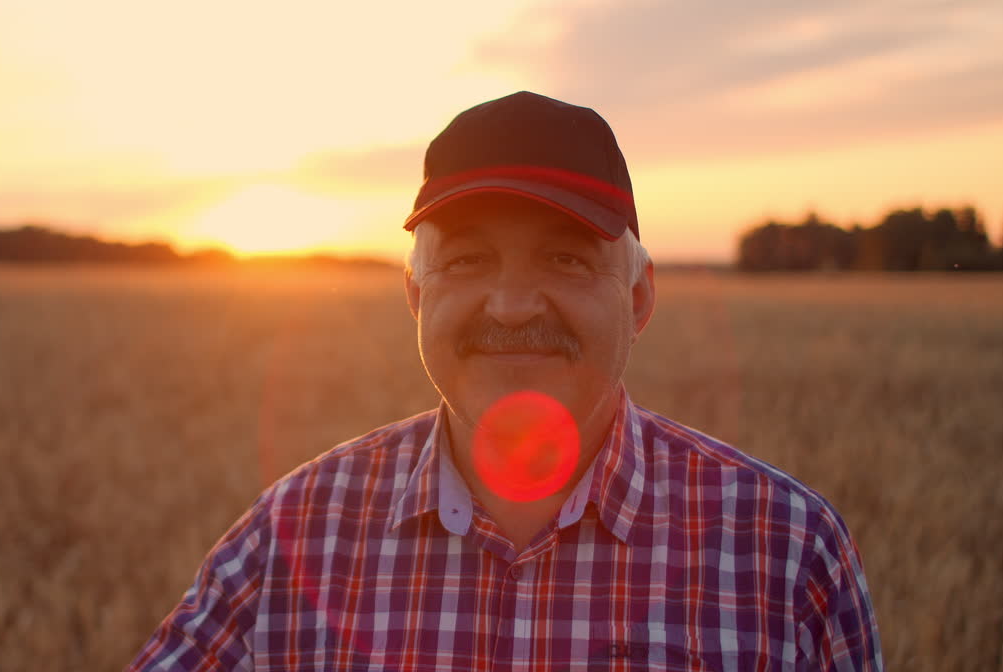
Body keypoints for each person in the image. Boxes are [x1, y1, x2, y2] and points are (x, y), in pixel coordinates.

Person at [128, 91, 882, 671]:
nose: (513, 305)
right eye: (466, 260)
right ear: (417, 297)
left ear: (640, 297)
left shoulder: (785, 553)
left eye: (566, 258)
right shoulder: (287, 541)